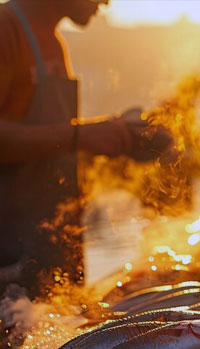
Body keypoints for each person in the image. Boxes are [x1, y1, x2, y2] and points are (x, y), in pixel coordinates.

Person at [0, 0, 172, 297]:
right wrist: (80, 136)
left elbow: (52, 141)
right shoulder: (6, 29)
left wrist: (112, 133)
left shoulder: (55, 44)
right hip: (8, 261)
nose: (106, 4)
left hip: (52, 248)